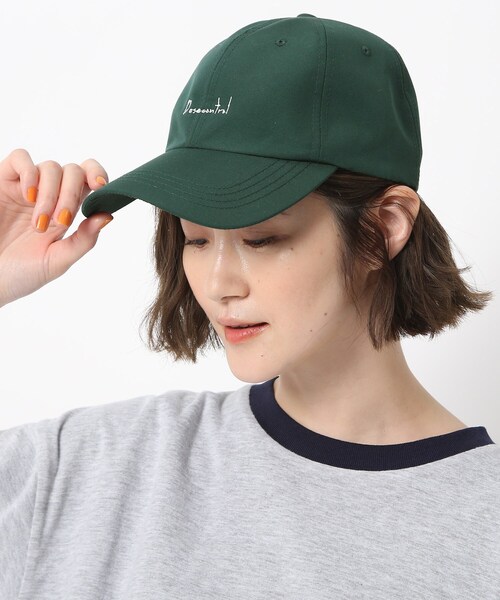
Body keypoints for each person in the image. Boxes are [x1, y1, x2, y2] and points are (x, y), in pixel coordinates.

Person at [1, 14, 499, 599]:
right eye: (195, 238)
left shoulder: (483, 526)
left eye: (261, 239)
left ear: (384, 228)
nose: (217, 284)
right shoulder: (87, 468)